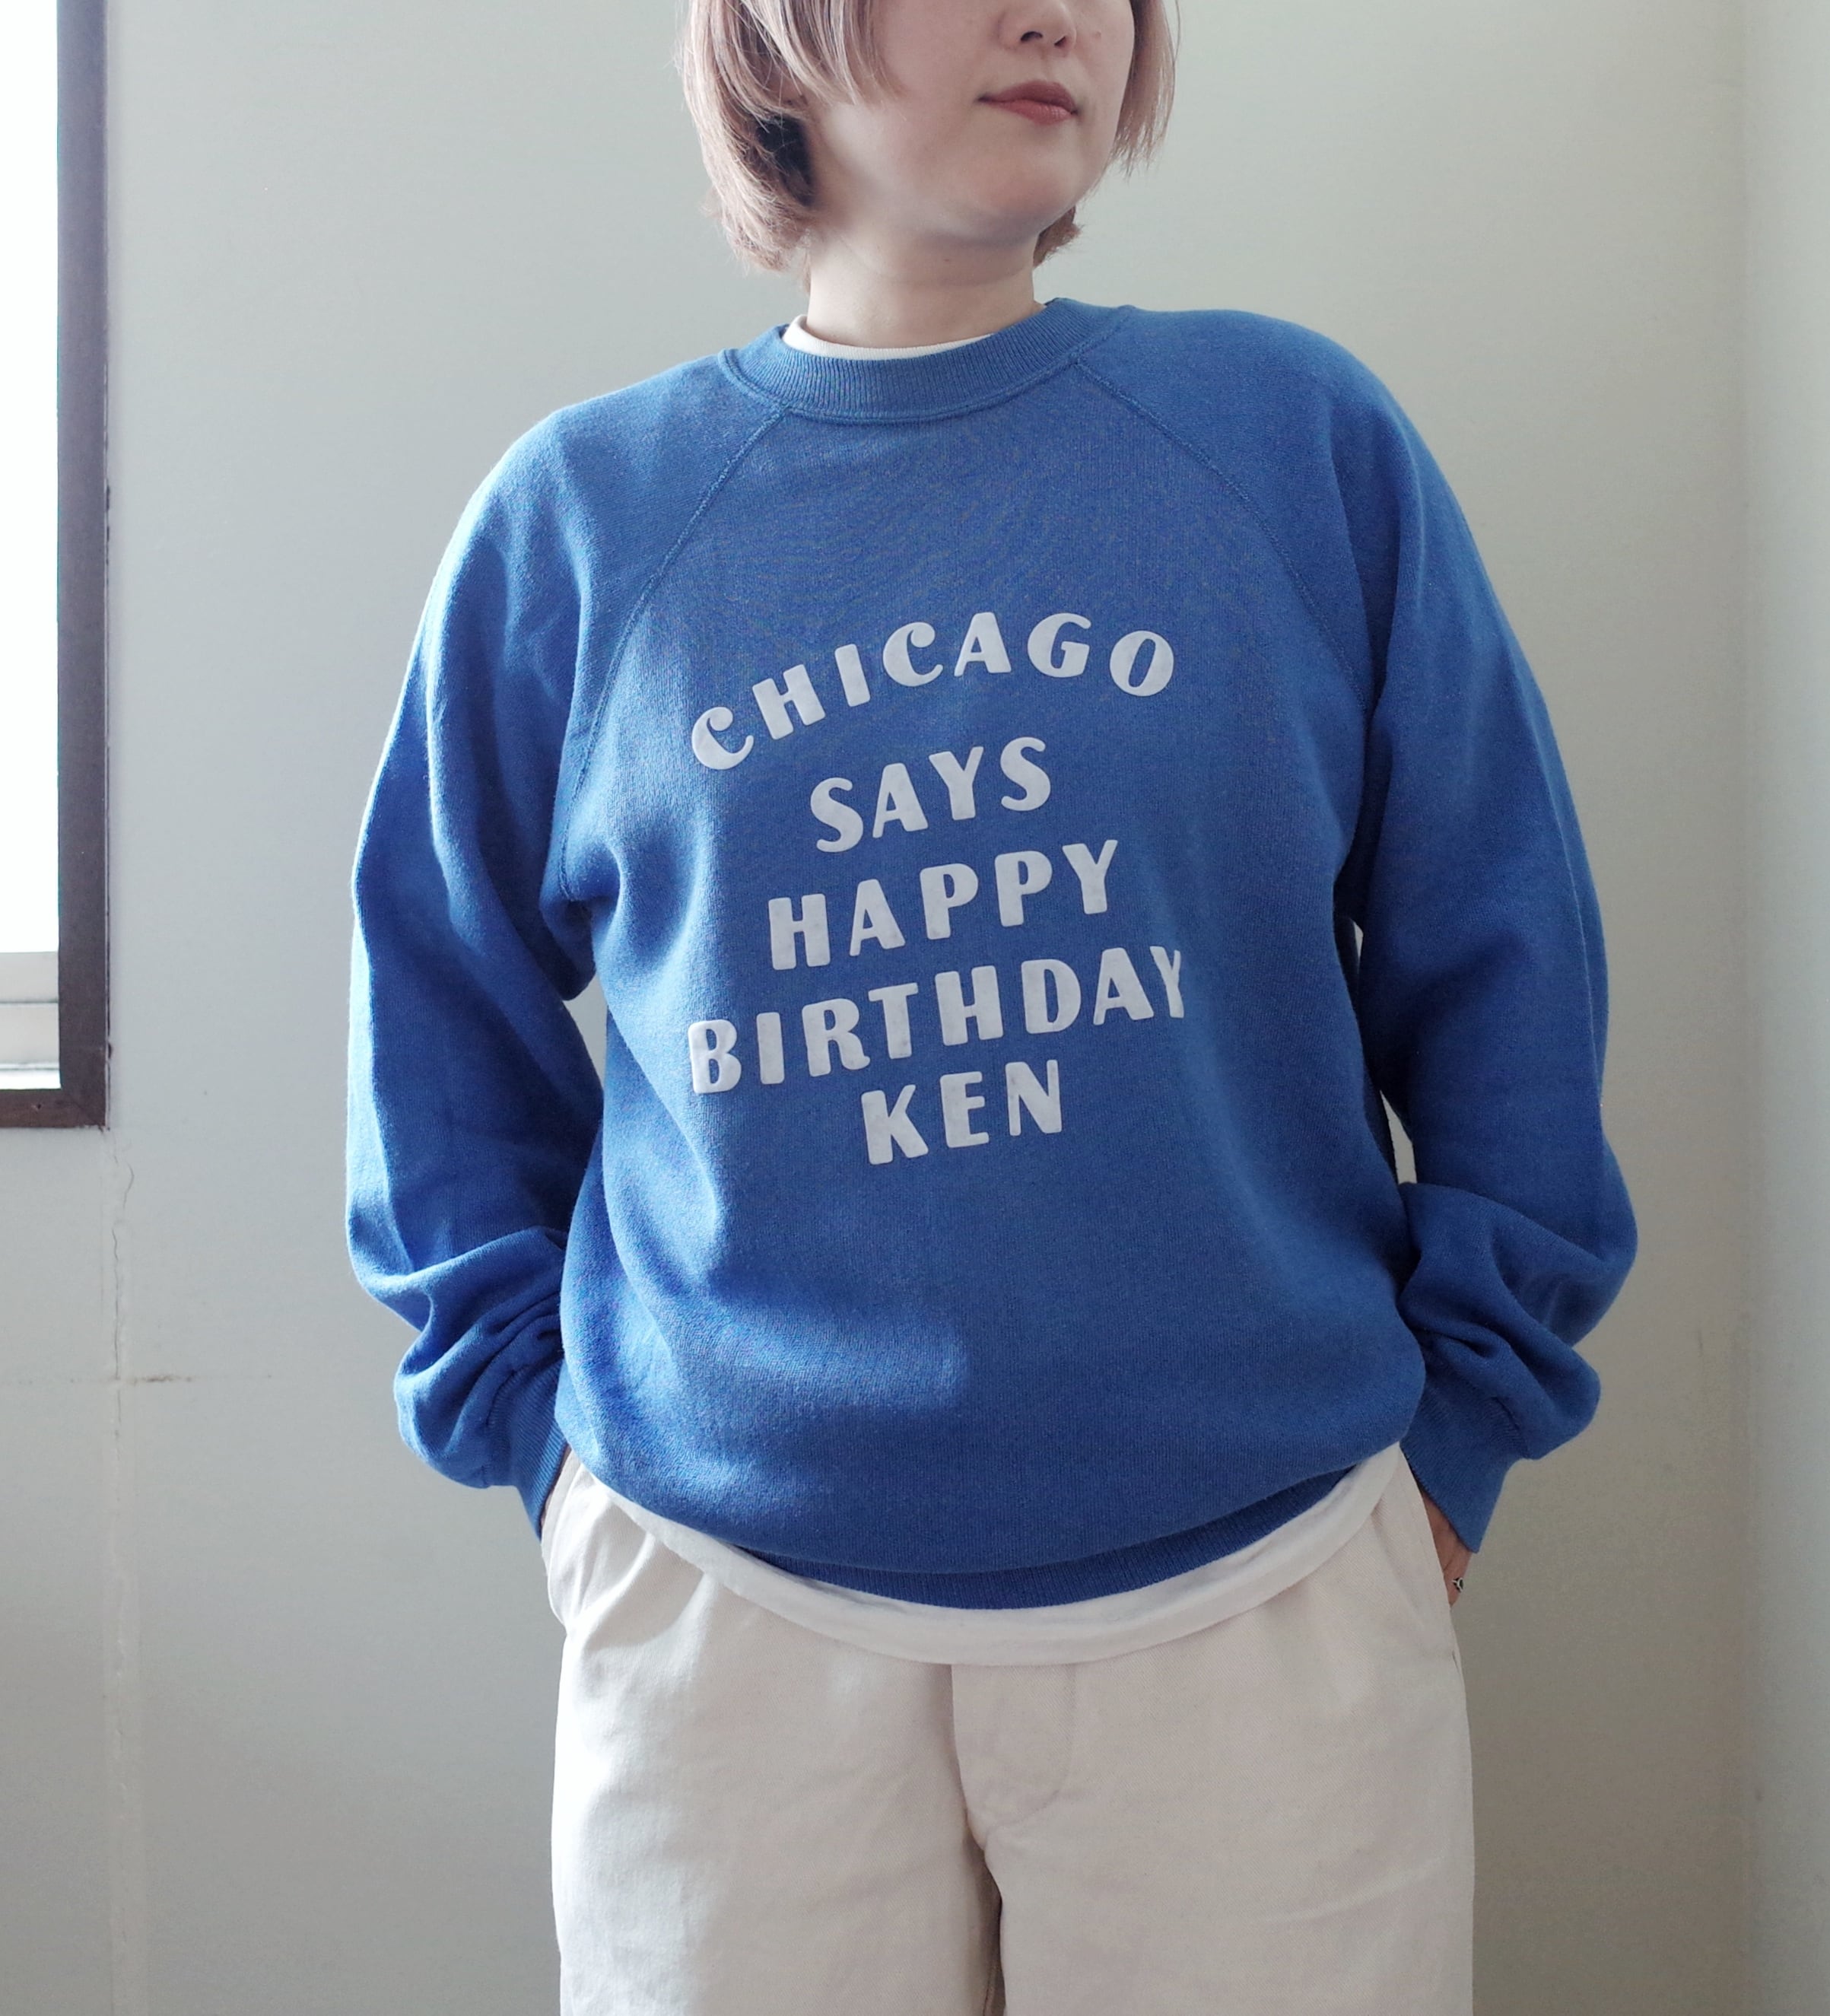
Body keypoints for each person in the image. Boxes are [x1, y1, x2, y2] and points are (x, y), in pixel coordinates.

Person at [345, 0, 1638, 2008]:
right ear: (773, 40)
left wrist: (1457, 1430)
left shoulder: (1290, 441)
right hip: (725, 1621)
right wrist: (549, 1456)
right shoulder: (585, 521)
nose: (1059, 17)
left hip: (1269, 1587)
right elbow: (436, 1011)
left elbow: (1502, 948)